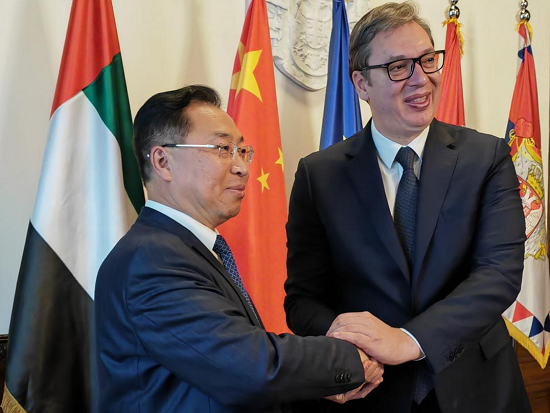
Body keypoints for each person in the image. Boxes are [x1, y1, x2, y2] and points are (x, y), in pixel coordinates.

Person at [284, 2, 530, 412]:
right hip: (370, 391)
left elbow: (498, 275)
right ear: (361, 84)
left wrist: (409, 340)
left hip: (477, 386)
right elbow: (303, 300)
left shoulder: (486, 157)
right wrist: (347, 340)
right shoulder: (319, 175)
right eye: (398, 67)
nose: (421, 78)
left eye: (428, 60)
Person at [94, 85, 383, 413]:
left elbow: (225, 372)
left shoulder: (185, 248)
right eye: (222, 149)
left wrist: (323, 382)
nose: (242, 168)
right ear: (163, 161)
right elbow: (252, 368)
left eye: (243, 151)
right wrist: (354, 358)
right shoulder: (151, 261)